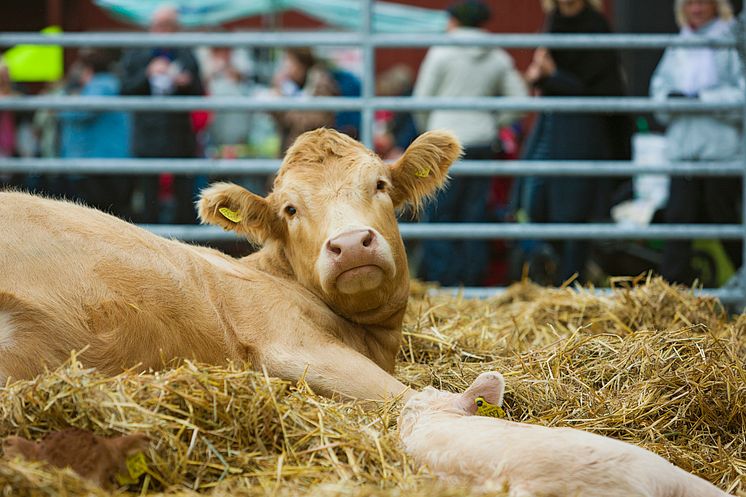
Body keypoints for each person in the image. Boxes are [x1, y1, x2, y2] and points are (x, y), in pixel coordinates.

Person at [413, 0, 527, 287]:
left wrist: (429, 133)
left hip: (443, 146)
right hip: (481, 143)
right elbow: (520, 100)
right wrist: (493, 122)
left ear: (454, 21)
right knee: (474, 214)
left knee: (439, 213)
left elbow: (420, 101)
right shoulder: (497, 56)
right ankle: (473, 283)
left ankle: (443, 283)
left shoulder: (441, 52)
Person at [519, 0, 632, 285]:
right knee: (535, 204)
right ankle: (552, 278)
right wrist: (542, 77)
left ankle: (571, 285)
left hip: (582, 129)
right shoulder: (552, 21)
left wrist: (551, 75)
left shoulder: (596, 26)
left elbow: (599, 91)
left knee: (573, 210)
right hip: (552, 123)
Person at [650, 0, 742, 285]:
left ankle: (741, 287)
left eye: (703, 2)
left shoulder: (732, 43)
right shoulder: (678, 46)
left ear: (717, 6)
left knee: (730, 228)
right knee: (677, 230)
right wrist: (673, 102)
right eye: (690, 3)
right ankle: (672, 299)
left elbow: (741, 96)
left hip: (722, 156)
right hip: (683, 156)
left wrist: (700, 101)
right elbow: (657, 95)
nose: (697, 9)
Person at [120, 5, 204, 223]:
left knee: (184, 196)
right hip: (148, 135)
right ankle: (148, 242)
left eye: (170, 26)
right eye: (160, 25)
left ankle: (183, 243)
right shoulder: (138, 53)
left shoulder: (186, 53)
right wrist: (147, 73)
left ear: (177, 29)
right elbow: (125, 89)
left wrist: (185, 83)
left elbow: (199, 91)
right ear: (151, 27)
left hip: (179, 135)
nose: (164, 31)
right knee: (148, 197)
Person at [58, 49, 132, 216]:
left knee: (98, 214)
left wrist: (65, 98)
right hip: (111, 161)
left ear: (88, 69)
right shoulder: (111, 84)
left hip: (101, 163)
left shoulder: (100, 85)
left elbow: (79, 112)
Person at [272, 48, 339, 153]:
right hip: (298, 150)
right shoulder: (293, 85)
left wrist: (280, 105)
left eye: (289, 62)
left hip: (313, 153)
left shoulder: (321, 84)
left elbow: (314, 122)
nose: (286, 68)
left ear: (301, 64)